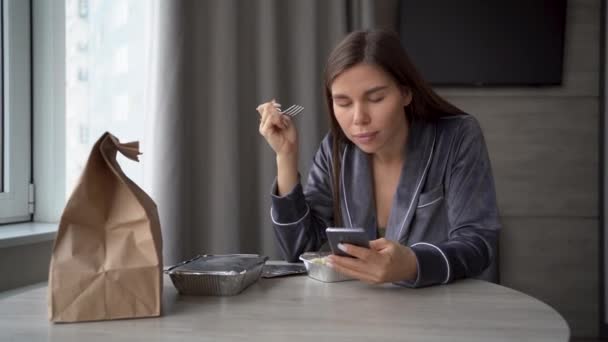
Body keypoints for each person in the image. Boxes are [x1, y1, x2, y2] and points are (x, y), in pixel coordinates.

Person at [256, 30, 500, 288]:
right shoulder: (336, 149)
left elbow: (478, 243)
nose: (359, 118)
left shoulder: (457, 137)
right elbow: (300, 250)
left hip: (447, 312)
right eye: (343, 103)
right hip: (366, 314)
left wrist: (413, 263)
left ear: (406, 93)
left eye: (376, 98)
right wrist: (285, 156)